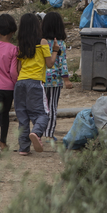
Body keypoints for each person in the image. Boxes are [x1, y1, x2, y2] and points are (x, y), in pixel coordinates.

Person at [15, 13, 58, 155]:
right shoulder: (43, 42)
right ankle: (37, 133)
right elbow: (50, 64)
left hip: (20, 83)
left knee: (23, 117)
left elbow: (19, 68)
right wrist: (55, 51)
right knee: (43, 114)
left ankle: (23, 148)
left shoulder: (21, 44)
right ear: (37, 26)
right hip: (35, 83)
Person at [0, 14, 18, 153]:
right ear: (13, 31)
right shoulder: (14, 49)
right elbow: (13, 72)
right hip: (8, 88)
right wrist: (15, 82)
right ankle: (3, 142)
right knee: (5, 114)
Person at [41, 12, 69, 140]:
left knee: (42, 105)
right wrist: (67, 80)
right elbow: (63, 63)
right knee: (52, 106)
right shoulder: (60, 44)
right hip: (54, 80)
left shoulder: (42, 42)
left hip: (41, 78)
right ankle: (49, 133)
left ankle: (39, 131)